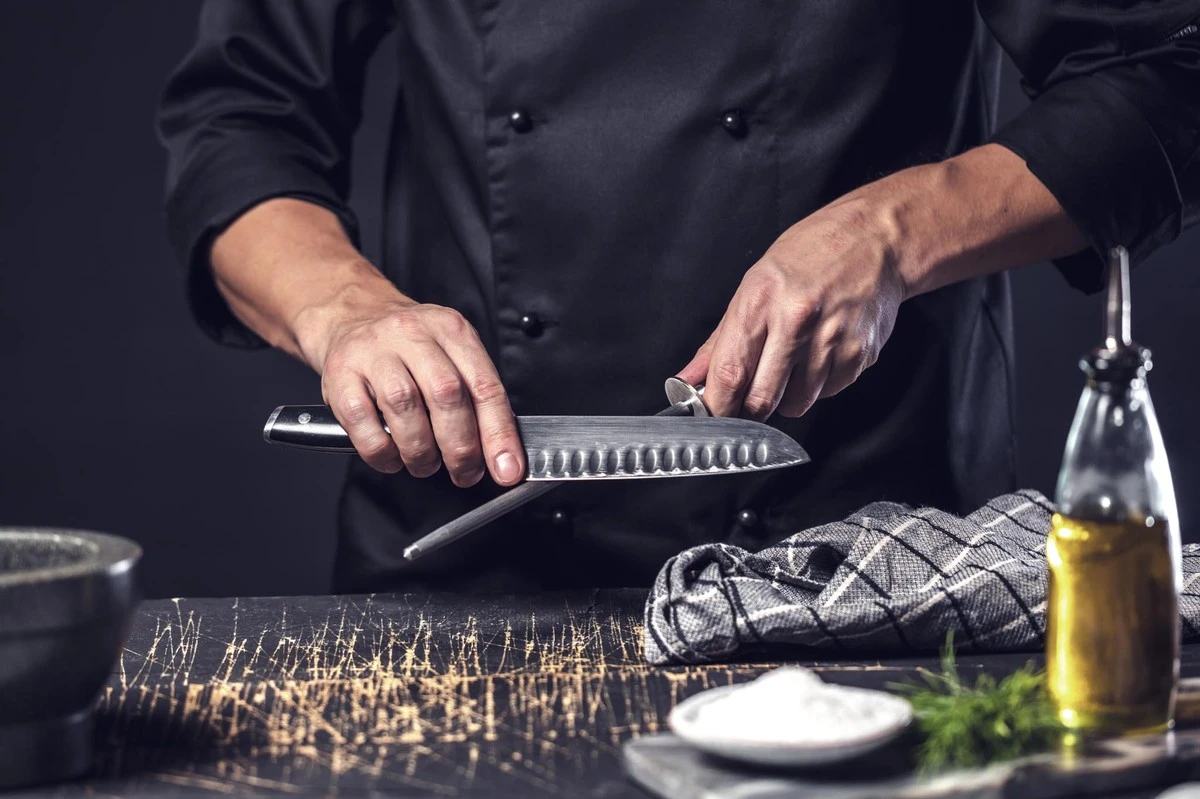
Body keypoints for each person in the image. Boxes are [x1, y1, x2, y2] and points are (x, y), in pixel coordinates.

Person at [157, 1, 1200, 594]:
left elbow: (1169, 70)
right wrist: (347, 311)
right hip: (472, 559)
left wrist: (896, 231)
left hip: (850, 560)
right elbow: (240, 116)